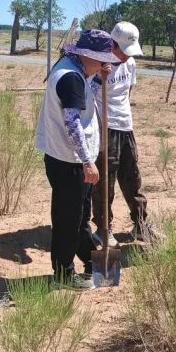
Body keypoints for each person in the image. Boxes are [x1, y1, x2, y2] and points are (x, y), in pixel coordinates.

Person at [34, 29, 122, 288]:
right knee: (67, 221)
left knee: (80, 216)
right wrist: (87, 161)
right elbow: (72, 123)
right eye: (102, 60)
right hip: (70, 161)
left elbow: (85, 94)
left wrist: (98, 79)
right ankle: (63, 274)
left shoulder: (74, 68)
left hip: (68, 158)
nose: (106, 64)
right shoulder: (70, 77)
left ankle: (93, 263)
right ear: (88, 56)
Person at [90, 21, 154, 247]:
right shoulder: (97, 63)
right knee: (105, 181)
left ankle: (140, 224)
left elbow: (128, 92)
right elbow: (87, 94)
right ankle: (103, 228)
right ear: (112, 44)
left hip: (125, 125)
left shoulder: (131, 63)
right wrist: (100, 77)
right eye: (123, 51)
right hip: (105, 127)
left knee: (132, 177)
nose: (126, 56)